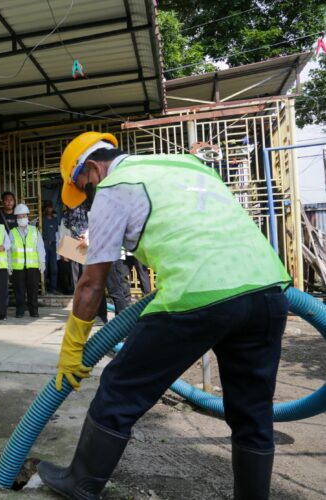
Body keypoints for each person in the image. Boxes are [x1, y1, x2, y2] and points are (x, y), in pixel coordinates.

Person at [38, 131, 291, 500]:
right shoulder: (185, 163)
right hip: (268, 290)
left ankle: (82, 482)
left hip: (198, 295)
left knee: (120, 389)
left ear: (94, 167)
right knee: (252, 411)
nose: (89, 193)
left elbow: (92, 283)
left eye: (84, 185)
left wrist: (72, 349)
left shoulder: (115, 185)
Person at [9, 204, 46, 318]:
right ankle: (20, 311)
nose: (22, 218)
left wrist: (42, 261)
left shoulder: (35, 230)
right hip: (18, 267)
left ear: (27, 217)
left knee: (33, 290)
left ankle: (34, 311)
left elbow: (40, 247)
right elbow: (9, 250)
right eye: (19, 217)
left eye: (24, 216)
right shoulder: (12, 232)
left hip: (32, 266)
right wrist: (9, 264)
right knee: (19, 290)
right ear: (16, 218)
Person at [41, 200, 60, 294]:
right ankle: (43, 289)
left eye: (50, 207)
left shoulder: (55, 220)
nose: (49, 209)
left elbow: (58, 233)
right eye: (47, 207)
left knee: (54, 268)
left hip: (53, 245)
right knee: (45, 268)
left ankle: (53, 288)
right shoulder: (42, 219)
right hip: (44, 244)